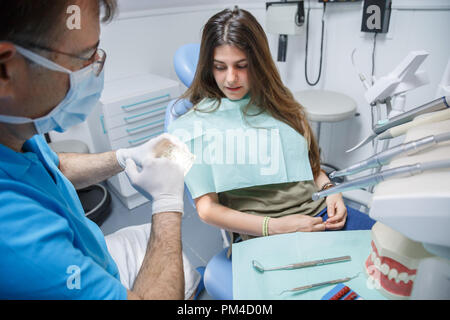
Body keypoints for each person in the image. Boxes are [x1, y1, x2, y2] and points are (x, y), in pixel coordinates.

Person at [0, 0, 199, 300]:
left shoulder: (15, 129)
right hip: (78, 275)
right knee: (184, 273)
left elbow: (55, 167)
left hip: (96, 256)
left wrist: (123, 157)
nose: (96, 68)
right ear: (5, 70)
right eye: (84, 57)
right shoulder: (17, 239)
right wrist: (168, 203)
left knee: (158, 244)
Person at [168, 7, 375, 247]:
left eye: (242, 65)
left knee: (395, 257)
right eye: (220, 67)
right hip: (267, 231)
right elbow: (207, 209)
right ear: (208, 66)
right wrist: (275, 227)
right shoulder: (197, 125)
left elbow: (310, 165)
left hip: (322, 214)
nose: (231, 78)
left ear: (258, 63)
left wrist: (331, 190)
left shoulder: (279, 101)